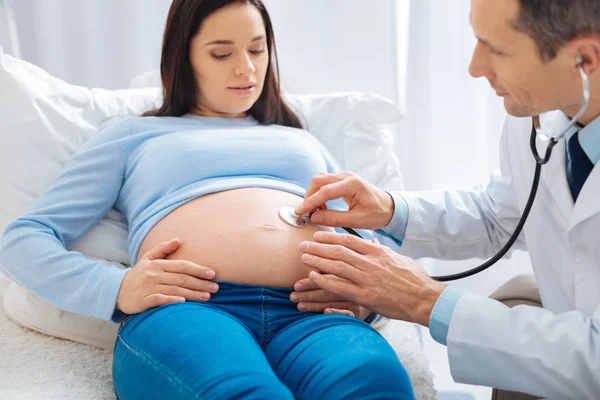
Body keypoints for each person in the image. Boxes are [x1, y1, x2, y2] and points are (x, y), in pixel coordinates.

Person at [0, 1, 415, 399]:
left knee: (375, 386)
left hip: (314, 316)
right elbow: (25, 238)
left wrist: (366, 301)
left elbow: (373, 240)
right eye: (221, 53)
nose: (246, 67)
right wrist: (116, 287)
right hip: (192, 311)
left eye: (257, 48)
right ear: (183, 57)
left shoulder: (301, 139)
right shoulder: (131, 134)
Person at [291, 0, 600, 399]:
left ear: (584, 58)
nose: (475, 67)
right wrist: (390, 210)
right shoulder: (543, 117)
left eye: (498, 50)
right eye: (477, 41)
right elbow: (502, 215)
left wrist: (425, 301)